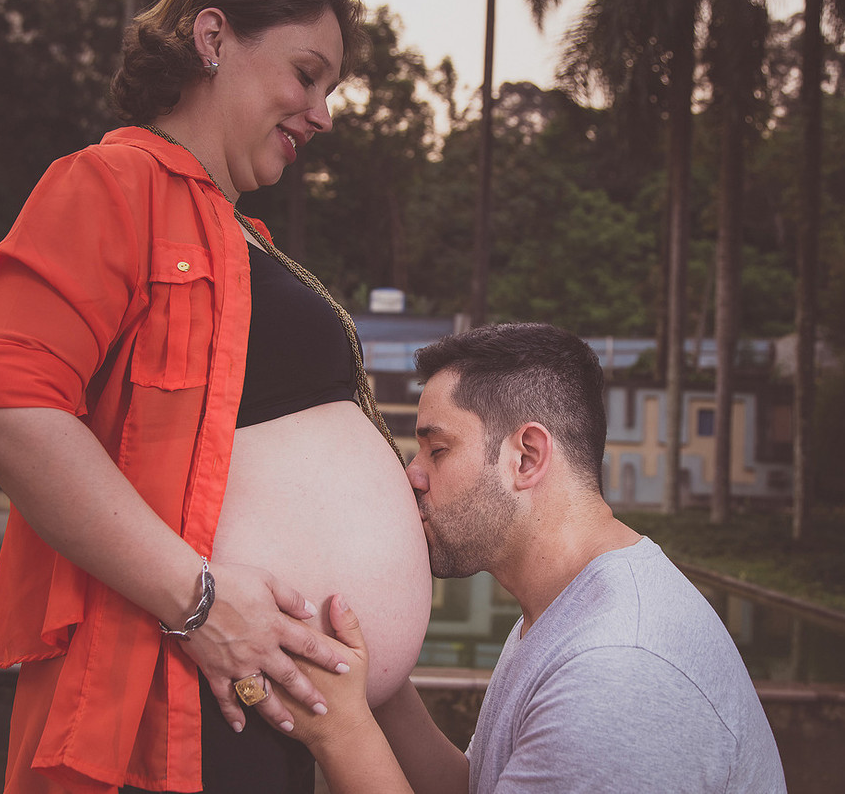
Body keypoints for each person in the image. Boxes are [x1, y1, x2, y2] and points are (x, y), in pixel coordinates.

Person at [0, 0, 431, 792]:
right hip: (169, 695)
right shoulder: (111, 183)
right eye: (307, 76)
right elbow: (5, 403)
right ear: (212, 38)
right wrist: (204, 603)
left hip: (264, 706)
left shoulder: (248, 236)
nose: (325, 114)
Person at [280, 323, 788, 793]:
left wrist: (339, 731)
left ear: (526, 457)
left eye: (437, 450)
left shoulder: (616, 675)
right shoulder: (564, 606)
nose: (413, 475)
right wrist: (376, 681)